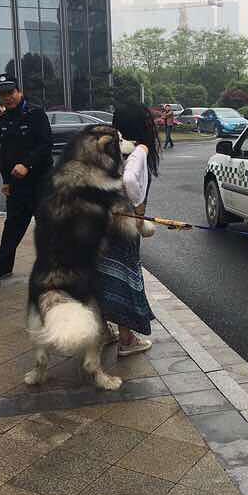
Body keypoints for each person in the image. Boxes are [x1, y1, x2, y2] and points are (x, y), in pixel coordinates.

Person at [95, 102, 160, 353]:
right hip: (124, 225)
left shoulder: (107, 145)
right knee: (125, 275)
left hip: (101, 220)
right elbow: (130, 179)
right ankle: (126, 340)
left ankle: (103, 331)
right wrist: (137, 209)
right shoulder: (140, 148)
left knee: (102, 274)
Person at [0, 73, 53, 282]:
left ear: (19, 91)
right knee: (12, 227)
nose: (8, 97)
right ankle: (3, 266)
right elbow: (4, 154)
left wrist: (27, 164)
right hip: (17, 184)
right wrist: (6, 181)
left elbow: (45, 145)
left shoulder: (36, 114)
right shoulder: (4, 119)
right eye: (3, 94)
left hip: (41, 181)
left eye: (11, 92)